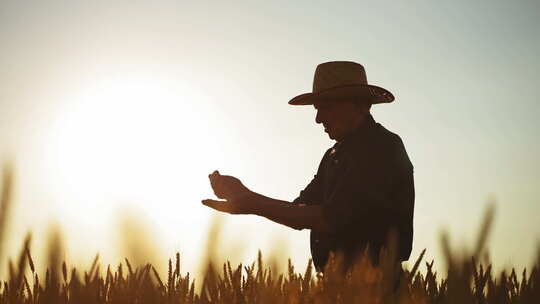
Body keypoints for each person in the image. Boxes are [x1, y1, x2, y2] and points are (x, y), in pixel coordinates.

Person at [202, 61, 415, 272]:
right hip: (337, 287)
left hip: (378, 289)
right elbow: (300, 211)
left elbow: (331, 218)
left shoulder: (382, 147)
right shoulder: (334, 155)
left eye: (327, 108)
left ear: (358, 105)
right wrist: (246, 194)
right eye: (317, 109)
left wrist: (252, 203)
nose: (318, 118)